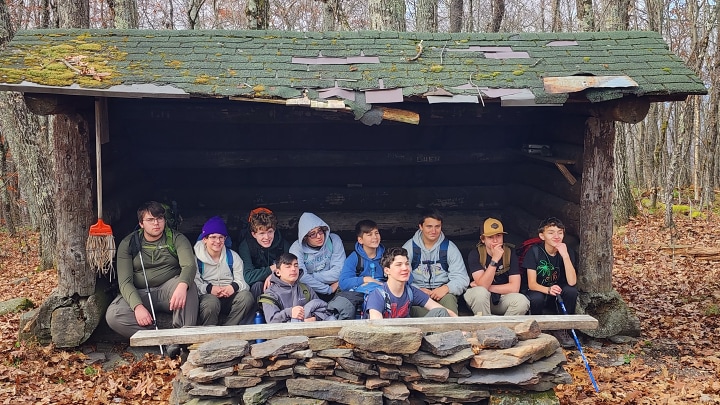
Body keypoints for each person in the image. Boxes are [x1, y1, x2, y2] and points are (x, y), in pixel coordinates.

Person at [106, 201, 199, 340]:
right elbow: (125, 282)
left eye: (160, 218)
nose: (156, 223)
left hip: (169, 291)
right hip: (141, 293)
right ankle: (164, 339)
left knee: (189, 287)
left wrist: (182, 285)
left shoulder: (176, 238)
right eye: (150, 220)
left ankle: (183, 339)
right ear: (141, 223)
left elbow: (189, 266)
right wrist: (137, 306)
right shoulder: (128, 243)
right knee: (113, 315)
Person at [523, 217, 578, 348]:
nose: (556, 236)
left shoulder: (567, 251)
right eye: (551, 233)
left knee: (571, 291)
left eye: (560, 232)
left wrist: (565, 255)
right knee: (536, 298)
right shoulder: (534, 252)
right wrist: (548, 289)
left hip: (558, 290)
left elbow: (572, 282)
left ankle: (563, 329)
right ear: (542, 236)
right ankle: (537, 330)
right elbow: (531, 283)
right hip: (539, 289)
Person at [402, 209, 469, 317]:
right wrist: (417, 290)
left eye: (437, 226)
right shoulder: (409, 248)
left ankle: (451, 327)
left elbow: (462, 278)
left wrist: (446, 288)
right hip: (418, 293)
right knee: (414, 310)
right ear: (421, 226)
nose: (433, 231)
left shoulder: (449, 248)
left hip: (443, 294)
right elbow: (400, 278)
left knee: (449, 301)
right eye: (429, 226)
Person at [193, 216, 254, 326]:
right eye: (213, 237)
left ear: (225, 239)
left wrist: (233, 287)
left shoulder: (233, 257)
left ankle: (228, 329)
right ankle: (210, 332)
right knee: (211, 303)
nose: (217, 241)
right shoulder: (196, 259)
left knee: (247, 297)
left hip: (229, 296)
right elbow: (195, 284)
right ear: (205, 239)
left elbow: (244, 282)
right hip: (208, 296)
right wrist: (209, 288)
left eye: (221, 237)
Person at [365, 247, 456, 319]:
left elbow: (443, 310)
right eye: (399, 265)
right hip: (386, 335)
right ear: (387, 270)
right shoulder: (377, 295)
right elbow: (376, 328)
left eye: (407, 264)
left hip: (411, 334)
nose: (405, 268)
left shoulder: (411, 291)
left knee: (440, 312)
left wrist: (462, 329)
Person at [463, 218, 530, 316]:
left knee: (522, 301)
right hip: (478, 299)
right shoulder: (476, 254)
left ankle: (503, 326)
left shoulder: (510, 253)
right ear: (483, 239)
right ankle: (485, 325)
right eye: (490, 237)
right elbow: (482, 286)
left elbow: (514, 288)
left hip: (501, 298)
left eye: (498, 236)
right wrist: (494, 260)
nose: (495, 240)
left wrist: (489, 287)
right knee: (480, 292)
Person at [328, 219, 386, 319]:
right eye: (369, 234)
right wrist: (365, 279)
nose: (375, 237)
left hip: (383, 294)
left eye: (376, 233)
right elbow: (343, 283)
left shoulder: (387, 256)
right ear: (360, 240)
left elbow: (405, 276)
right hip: (360, 297)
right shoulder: (354, 258)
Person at [260, 253, 336, 323]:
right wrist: (290, 312)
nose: (293, 269)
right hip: (286, 332)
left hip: (310, 330)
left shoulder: (305, 289)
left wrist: (315, 318)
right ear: (278, 272)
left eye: (296, 266)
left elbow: (324, 311)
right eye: (288, 266)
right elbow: (272, 321)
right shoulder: (270, 294)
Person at [289, 212, 346, 301]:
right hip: (308, 290)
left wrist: (310, 276)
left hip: (334, 287)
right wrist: (328, 290)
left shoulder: (333, 240)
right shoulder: (297, 248)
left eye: (320, 231)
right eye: (313, 234)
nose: (319, 236)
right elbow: (300, 277)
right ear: (305, 237)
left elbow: (339, 272)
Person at [238, 207, 291, 299]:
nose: (267, 237)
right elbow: (248, 277)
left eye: (270, 232)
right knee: (257, 285)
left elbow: (290, 270)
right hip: (257, 287)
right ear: (254, 234)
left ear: (274, 230)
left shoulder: (283, 245)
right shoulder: (246, 246)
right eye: (262, 233)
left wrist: (273, 276)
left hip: (278, 282)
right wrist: (272, 268)